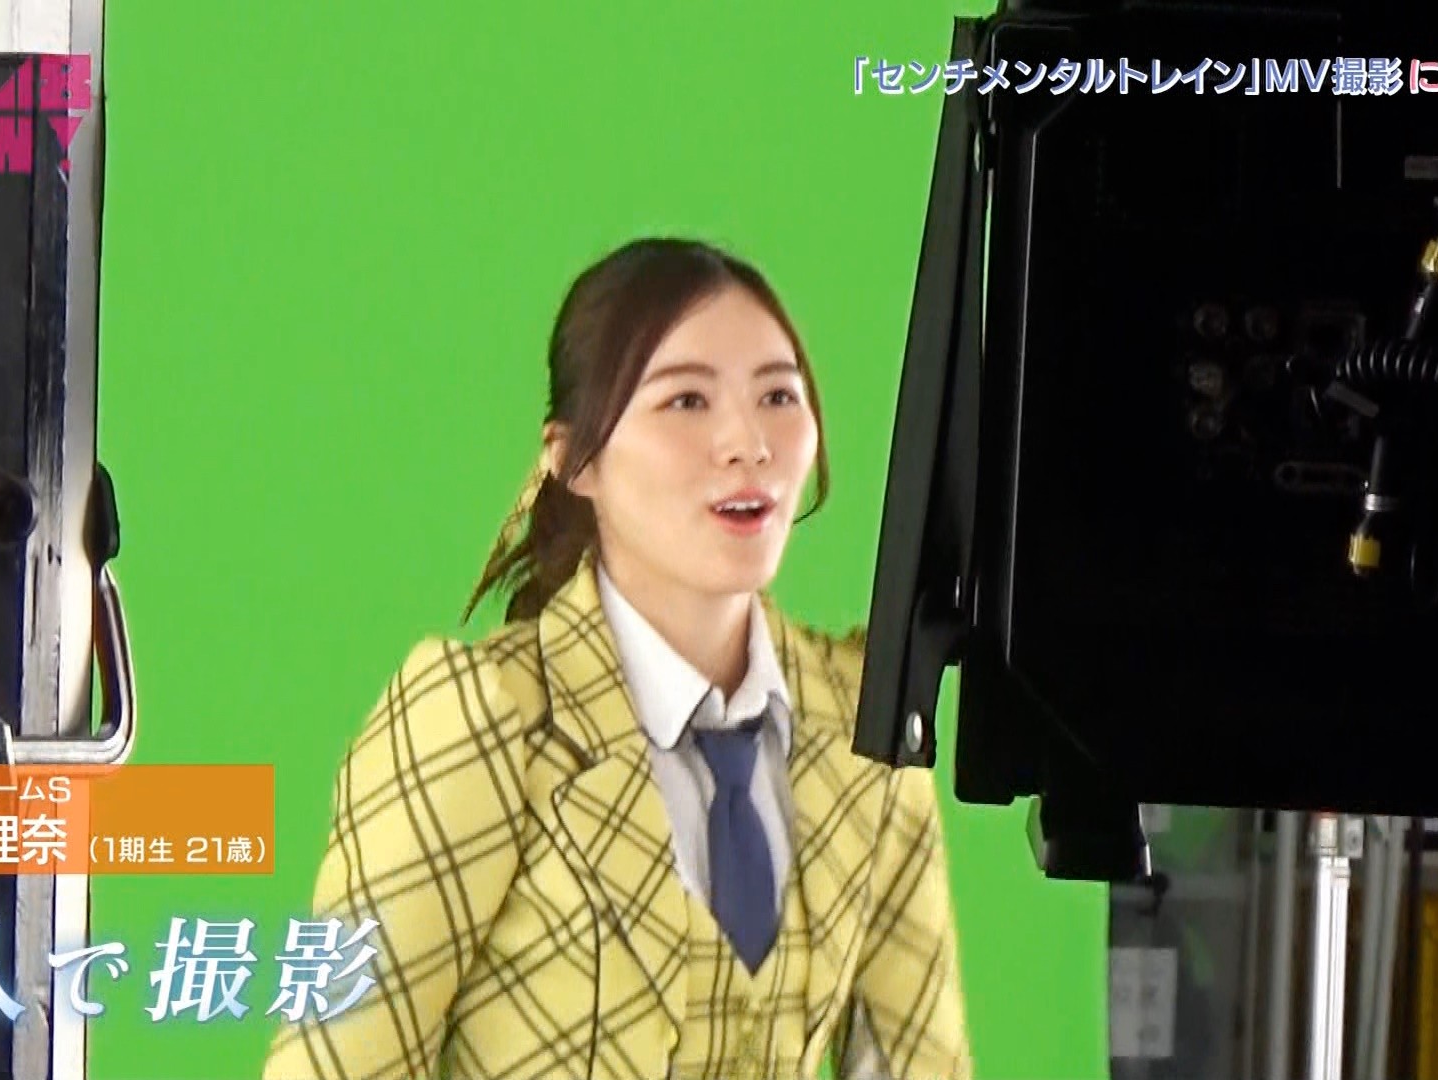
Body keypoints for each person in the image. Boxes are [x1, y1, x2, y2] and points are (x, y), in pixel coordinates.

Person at [261, 237, 971, 1080]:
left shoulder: (864, 720)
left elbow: (922, 1066)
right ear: (574, 459)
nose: (748, 443)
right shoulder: (483, 719)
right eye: (686, 401)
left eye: (778, 395)